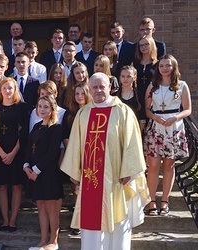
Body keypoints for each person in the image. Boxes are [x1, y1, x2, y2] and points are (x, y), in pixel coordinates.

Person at [60, 72, 150, 250]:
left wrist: (129, 171)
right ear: (89, 89)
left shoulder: (123, 111)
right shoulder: (83, 114)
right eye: (95, 87)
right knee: (91, 222)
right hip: (90, 179)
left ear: (109, 87)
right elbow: (76, 144)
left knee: (118, 219)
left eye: (102, 86)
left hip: (116, 178)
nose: (99, 90)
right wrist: (75, 171)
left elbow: (132, 143)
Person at [144, 54, 191, 216]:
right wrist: (156, 117)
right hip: (156, 127)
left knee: (169, 165)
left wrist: (175, 118)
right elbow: (147, 109)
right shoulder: (153, 86)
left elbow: (187, 109)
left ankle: (164, 201)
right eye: (162, 65)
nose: (165, 68)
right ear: (158, 67)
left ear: (174, 67)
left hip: (174, 127)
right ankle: (151, 202)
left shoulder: (182, 85)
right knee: (153, 166)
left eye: (168, 65)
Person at [24, 95, 63, 250]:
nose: (42, 109)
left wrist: (36, 170)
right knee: (40, 206)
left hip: (48, 174)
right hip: (34, 174)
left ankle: (53, 241)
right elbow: (28, 149)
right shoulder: (36, 126)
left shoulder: (56, 128)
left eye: (46, 106)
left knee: (50, 208)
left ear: (52, 109)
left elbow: (52, 153)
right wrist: (26, 166)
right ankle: (43, 239)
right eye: (40, 106)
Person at [0, 77, 30, 233]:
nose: (7, 91)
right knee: (1, 186)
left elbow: (24, 132)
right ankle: (5, 220)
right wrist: (2, 153)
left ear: (15, 90)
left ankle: (13, 220)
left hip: (16, 152)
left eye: (10, 88)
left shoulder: (21, 108)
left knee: (16, 186)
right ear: (0, 91)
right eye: (5, 88)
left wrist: (13, 153)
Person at [62, 83, 92, 235]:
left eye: (82, 93)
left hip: (92, 154)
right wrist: (73, 151)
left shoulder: (94, 111)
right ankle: (78, 220)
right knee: (76, 188)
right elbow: (66, 135)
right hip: (75, 153)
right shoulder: (71, 113)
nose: (79, 96)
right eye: (77, 94)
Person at [133, 35, 158, 126]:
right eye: (141, 45)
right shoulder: (135, 63)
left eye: (146, 44)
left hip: (152, 97)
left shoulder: (157, 64)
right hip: (138, 96)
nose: (143, 47)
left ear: (151, 45)